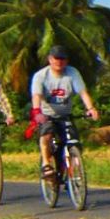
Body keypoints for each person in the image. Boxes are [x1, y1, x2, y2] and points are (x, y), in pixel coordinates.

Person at [30, 45, 100, 179]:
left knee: (74, 141)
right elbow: (36, 96)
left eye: (63, 59)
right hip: (46, 115)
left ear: (67, 61)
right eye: (56, 59)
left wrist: (91, 108)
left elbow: (83, 92)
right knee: (46, 135)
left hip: (65, 114)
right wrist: (37, 112)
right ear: (50, 59)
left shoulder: (72, 73)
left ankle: (73, 172)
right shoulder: (41, 76)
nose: (59, 62)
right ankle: (46, 164)